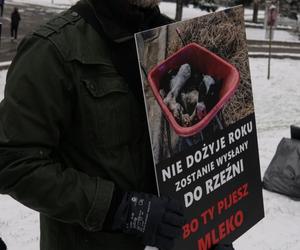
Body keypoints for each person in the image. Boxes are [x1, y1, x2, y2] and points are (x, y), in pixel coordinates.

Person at [0, 1, 234, 250]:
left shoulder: (175, 37)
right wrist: (122, 210)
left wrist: (212, 227)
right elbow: (12, 161)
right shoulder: (53, 49)